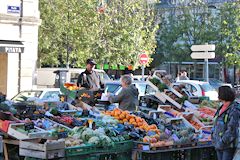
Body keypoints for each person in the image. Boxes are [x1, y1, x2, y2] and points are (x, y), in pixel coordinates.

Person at [212, 86, 240, 160]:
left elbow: (232, 129)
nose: (218, 95)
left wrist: (222, 142)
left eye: (219, 93)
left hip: (227, 145)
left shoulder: (234, 109)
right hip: (219, 144)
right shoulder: (221, 107)